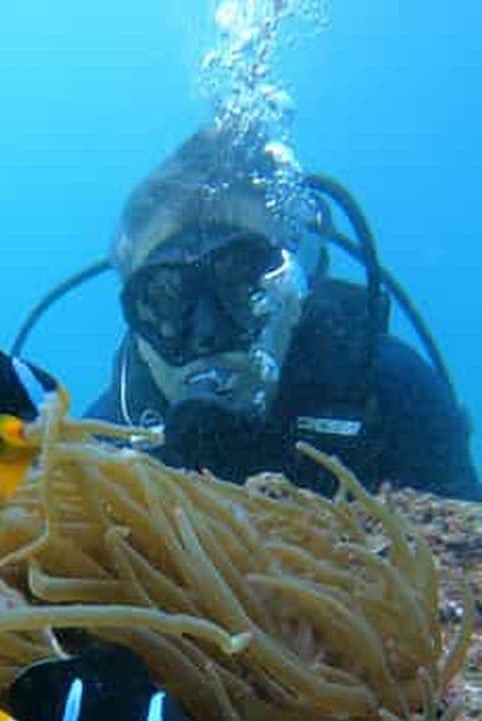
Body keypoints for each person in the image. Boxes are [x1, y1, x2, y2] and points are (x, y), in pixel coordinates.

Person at [78, 123, 482, 500]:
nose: (207, 334)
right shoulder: (106, 443)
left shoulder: (390, 394)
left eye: (242, 284)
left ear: (295, 291)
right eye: (166, 299)